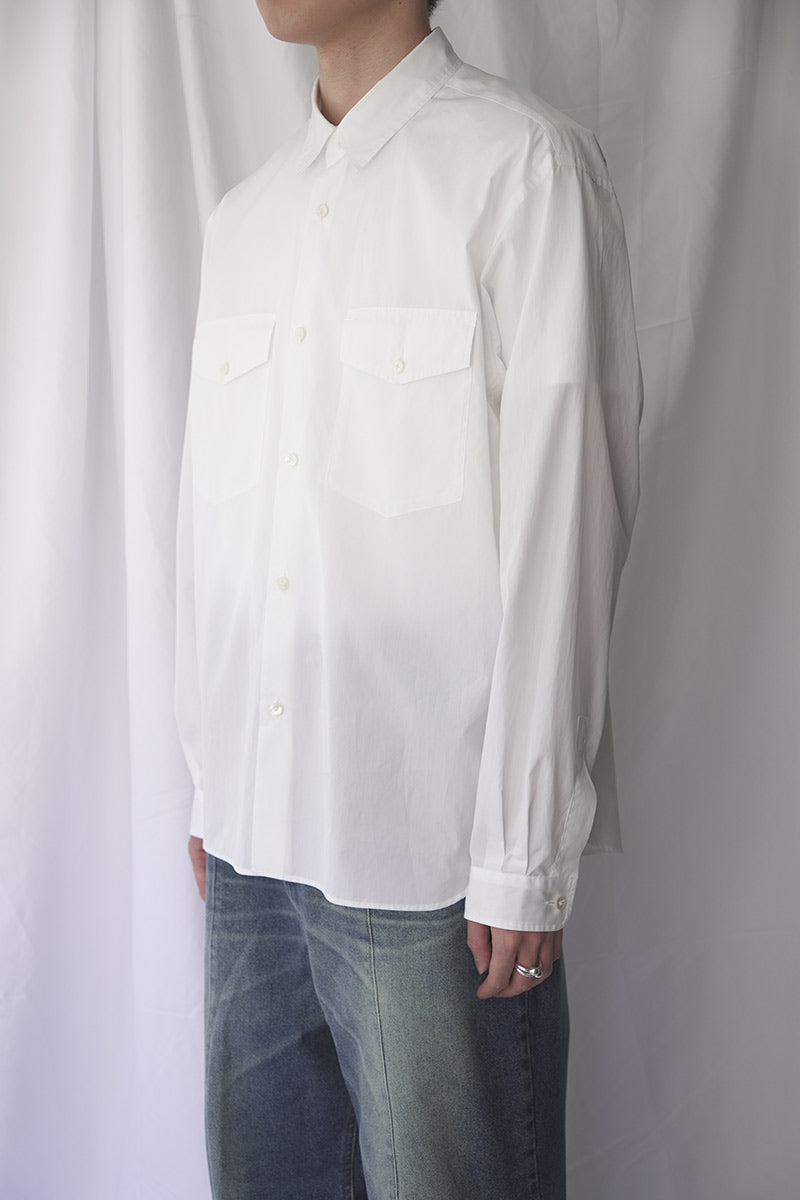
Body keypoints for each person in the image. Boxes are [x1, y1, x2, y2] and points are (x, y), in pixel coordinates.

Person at [174, 1, 642, 1196]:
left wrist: (523, 852)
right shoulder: (244, 219)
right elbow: (213, 528)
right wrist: (208, 775)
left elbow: (566, 518)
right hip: (250, 853)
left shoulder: (521, 170)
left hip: (429, 864)